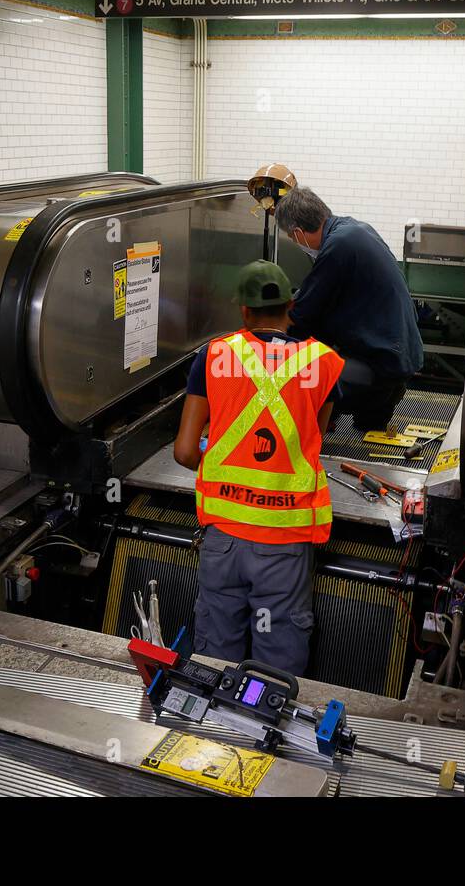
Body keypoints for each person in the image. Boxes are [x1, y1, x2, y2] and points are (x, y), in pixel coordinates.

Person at [173, 260, 344, 675]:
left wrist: (217, 461)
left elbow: (183, 451)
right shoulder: (322, 363)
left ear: (244, 312)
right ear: (291, 305)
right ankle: (265, 733)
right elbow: (310, 442)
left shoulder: (213, 356)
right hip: (285, 543)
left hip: (224, 541)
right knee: (277, 663)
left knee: (215, 659)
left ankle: (211, 734)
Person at [273, 186, 424, 432]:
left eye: (290, 237)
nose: (293, 241)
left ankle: (316, 425)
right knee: (366, 427)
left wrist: (270, 341)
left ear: (298, 232)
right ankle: (366, 409)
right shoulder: (356, 230)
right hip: (398, 355)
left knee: (297, 363)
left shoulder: (338, 246)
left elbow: (303, 314)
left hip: (382, 365)